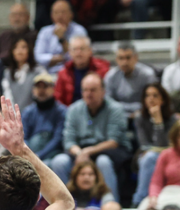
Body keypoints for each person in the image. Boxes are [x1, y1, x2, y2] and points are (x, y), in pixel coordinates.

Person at [51, 73, 131, 201]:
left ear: (103, 91)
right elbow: (68, 141)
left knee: (103, 161)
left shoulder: (115, 109)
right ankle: (66, 204)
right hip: (81, 150)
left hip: (110, 150)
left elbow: (113, 141)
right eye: (85, 90)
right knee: (59, 161)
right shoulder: (73, 109)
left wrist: (88, 151)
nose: (89, 94)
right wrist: (79, 153)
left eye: (93, 90)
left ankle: (110, 205)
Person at [134, 118, 180, 210]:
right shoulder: (166, 154)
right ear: (175, 137)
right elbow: (156, 181)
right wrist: (153, 197)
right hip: (168, 194)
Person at [132, 84, 177, 206]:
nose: (150, 99)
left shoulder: (173, 119)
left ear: (162, 100)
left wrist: (158, 122)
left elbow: (166, 146)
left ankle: (139, 201)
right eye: (147, 96)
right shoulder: (139, 118)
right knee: (149, 158)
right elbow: (144, 145)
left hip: (168, 157)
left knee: (151, 157)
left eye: (155, 96)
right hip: (145, 156)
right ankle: (140, 200)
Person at [22, 73, 67, 164]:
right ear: (33, 90)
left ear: (53, 89)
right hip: (30, 155)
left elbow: (57, 139)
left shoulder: (61, 111)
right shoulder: (28, 112)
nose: (41, 90)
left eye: (45, 87)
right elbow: (23, 137)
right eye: (38, 87)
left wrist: (39, 156)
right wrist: (29, 155)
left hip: (52, 155)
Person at [103, 42, 157, 117]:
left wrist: (122, 107)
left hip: (143, 115)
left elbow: (152, 101)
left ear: (136, 58)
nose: (124, 62)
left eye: (128, 58)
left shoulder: (147, 75)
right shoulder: (110, 76)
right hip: (117, 115)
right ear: (116, 59)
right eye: (121, 58)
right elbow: (108, 103)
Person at [34, 0, 88, 74]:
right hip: (49, 74)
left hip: (73, 73)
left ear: (71, 14)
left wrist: (61, 39)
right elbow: (38, 57)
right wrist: (61, 58)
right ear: (51, 16)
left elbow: (78, 57)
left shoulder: (79, 31)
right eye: (56, 13)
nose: (60, 16)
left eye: (63, 12)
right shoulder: (45, 32)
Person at [54, 36, 110, 107]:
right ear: (70, 52)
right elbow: (58, 100)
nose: (78, 53)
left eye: (82, 49)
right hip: (70, 113)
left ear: (90, 51)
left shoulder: (103, 69)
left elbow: (108, 95)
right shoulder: (63, 73)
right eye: (75, 49)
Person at [2, 37, 46, 110]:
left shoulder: (39, 71)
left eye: (23, 47)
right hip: (14, 116)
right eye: (16, 47)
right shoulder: (8, 73)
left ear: (29, 50)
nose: (20, 51)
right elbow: (7, 96)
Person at [161, 35, 180, 117]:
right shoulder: (169, 70)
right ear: (177, 49)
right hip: (173, 114)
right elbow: (166, 96)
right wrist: (174, 115)